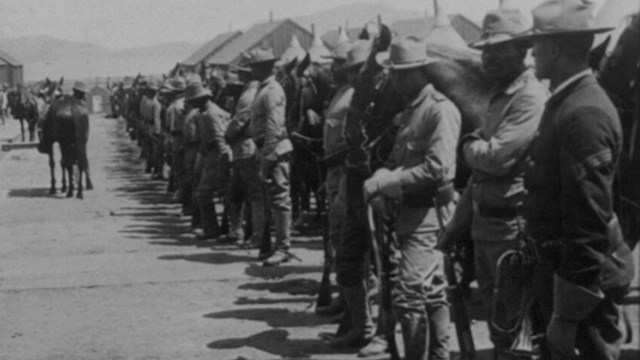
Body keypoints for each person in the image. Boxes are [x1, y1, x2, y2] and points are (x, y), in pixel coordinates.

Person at [516, 1, 635, 359]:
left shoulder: (583, 112)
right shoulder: (568, 101)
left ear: (554, 48)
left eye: (534, 46)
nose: (530, 54)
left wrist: (567, 315)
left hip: (582, 291)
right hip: (561, 277)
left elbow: (588, 223)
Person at [441, 7, 549, 359]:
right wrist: (457, 225)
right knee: (497, 322)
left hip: (511, 229)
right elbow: (479, 175)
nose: (488, 57)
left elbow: (495, 158)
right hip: (487, 225)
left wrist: (471, 145)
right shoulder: (499, 96)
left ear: (523, 50)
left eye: (498, 49)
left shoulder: (530, 97)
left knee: (515, 328)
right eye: (485, 50)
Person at [364, 36, 461, 360]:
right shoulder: (410, 112)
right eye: (393, 72)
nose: (395, 79)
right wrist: (381, 175)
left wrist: (387, 182)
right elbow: (396, 160)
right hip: (411, 214)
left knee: (408, 296)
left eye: (403, 73)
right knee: (431, 292)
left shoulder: (440, 111)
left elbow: (437, 169)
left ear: (422, 72)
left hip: (430, 214)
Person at [314, 40, 352, 318]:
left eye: (337, 63)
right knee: (337, 238)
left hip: (345, 172)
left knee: (347, 238)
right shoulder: (340, 92)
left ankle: (353, 299)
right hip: (334, 173)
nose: (332, 68)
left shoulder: (354, 96)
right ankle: (345, 294)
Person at [247, 47, 295, 266]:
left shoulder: (272, 90)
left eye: (253, 67)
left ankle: (283, 247)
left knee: (280, 200)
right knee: (272, 200)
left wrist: (267, 158)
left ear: (261, 68)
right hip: (265, 149)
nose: (250, 71)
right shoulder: (263, 88)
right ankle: (275, 245)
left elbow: (274, 128)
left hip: (274, 151)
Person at [185, 80, 231, 240]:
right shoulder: (203, 113)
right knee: (220, 193)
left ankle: (214, 229)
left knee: (204, 193)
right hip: (209, 155)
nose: (191, 102)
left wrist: (223, 165)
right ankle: (221, 228)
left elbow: (220, 140)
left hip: (217, 156)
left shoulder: (211, 114)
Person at [224, 66, 263, 246]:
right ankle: (239, 231)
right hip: (243, 147)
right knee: (237, 191)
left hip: (246, 146)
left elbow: (240, 120)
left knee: (253, 193)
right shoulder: (251, 91)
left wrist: (228, 133)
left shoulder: (249, 94)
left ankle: (256, 235)